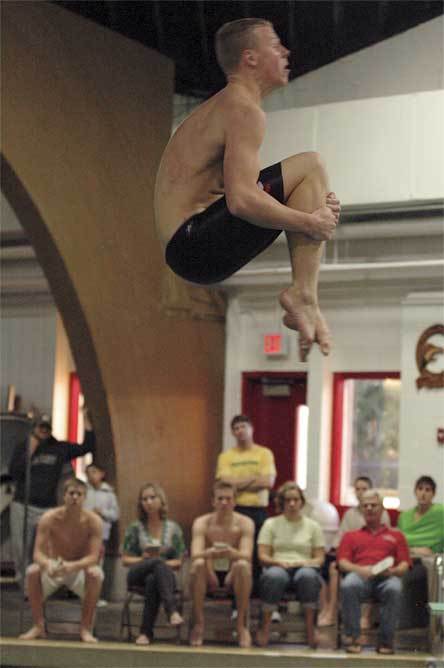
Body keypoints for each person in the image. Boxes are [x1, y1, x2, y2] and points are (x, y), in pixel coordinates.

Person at [154, 18, 341, 361]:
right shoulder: (242, 108)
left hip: (187, 244)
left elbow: (242, 195)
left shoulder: (226, 106)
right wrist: (309, 223)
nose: (285, 51)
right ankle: (304, 296)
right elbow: (242, 200)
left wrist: (306, 213)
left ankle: (306, 297)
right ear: (250, 58)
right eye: (275, 44)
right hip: (193, 242)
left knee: (309, 184)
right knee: (311, 167)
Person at [9, 410, 95, 579]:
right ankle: (24, 583)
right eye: (41, 427)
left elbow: (86, 447)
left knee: (43, 549)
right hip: (22, 504)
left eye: (47, 428)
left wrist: (86, 423)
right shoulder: (23, 446)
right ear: (34, 428)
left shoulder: (59, 448)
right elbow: (14, 473)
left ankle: (39, 583)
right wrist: (30, 451)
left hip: (46, 507)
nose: (44, 430)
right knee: (21, 548)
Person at [19, 477, 103, 643]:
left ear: (85, 498)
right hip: (55, 567)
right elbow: (37, 553)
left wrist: (74, 566)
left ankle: (85, 629)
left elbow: (94, 556)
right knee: (32, 571)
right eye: (71, 493)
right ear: (64, 496)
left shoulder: (94, 521)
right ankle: (38, 626)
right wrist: (47, 564)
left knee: (96, 574)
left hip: (79, 568)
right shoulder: (49, 518)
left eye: (79, 494)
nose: (75, 497)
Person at [338, 489, 410, 655]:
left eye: (374, 505)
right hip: (360, 575)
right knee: (349, 584)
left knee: (394, 588)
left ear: (382, 509)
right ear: (362, 510)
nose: (369, 508)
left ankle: (386, 641)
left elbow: (404, 565)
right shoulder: (351, 536)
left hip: (386, 578)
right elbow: (342, 563)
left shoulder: (397, 536)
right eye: (365, 506)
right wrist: (361, 570)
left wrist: (392, 571)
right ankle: (354, 638)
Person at [256, 482, 325, 649]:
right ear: (282, 503)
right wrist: (278, 562)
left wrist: (303, 563)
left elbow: (320, 558)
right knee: (274, 577)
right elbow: (262, 555)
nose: (292, 504)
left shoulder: (313, 526)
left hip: (305, 565)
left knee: (308, 576)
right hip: (278, 564)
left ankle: (311, 628)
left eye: (295, 500)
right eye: (288, 500)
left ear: (301, 502)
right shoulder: (271, 524)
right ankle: (264, 628)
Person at [318, 475, 391, 627]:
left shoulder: (383, 515)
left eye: (364, 489)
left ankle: (366, 616)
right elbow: (340, 541)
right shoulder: (350, 514)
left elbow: (384, 544)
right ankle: (331, 610)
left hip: (374, 561)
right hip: (352, 559)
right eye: (357, 489)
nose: (360, 492)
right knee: (332, 567)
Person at [189, 480, 254, 648]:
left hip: (233, 574)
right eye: (220, 499)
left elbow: (247, 555)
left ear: (235, 501)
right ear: (213, 501)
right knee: (197, 564)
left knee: (243, 566)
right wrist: (210, 552)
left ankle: (241, 625)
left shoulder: (245, 523)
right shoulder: (202, 522)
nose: (224, 503)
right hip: (210, 572)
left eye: (228, 499)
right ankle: (199, 624)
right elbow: (195, 553)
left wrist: (232, 553)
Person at [216, 414, 276, 595]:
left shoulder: (264, 453)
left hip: (258, 510)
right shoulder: (226, 456)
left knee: (256, 555)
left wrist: (238, 483)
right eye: (235, 428)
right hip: (235, 510)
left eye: (243, 427)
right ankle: (236, 600)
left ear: (251, 429)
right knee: (237, 555)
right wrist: (253, 479)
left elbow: (267, 482)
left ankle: (257, 596)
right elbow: (225, 484)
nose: (240, 431)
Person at [121, 482, 185, 646]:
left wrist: (160, 565)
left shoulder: (173, 528)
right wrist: (144, 559)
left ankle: (145, 633)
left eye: (152, 497)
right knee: (155, 562)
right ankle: (171, 610)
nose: (148, 502)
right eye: (144, 499)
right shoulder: (134, 527)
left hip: (163, 577)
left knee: (153, 579)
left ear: (161, 501)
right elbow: (125, 560)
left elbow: (179, 561)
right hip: (137, 573)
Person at [397, 475, 444, 629]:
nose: (423, 493)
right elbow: (399, 541)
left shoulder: (440, 513)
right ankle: (402, 622)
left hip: (432, 560)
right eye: (420, 489)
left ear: (433, 494)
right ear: (415, 492)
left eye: (427, 490)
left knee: (412, 575)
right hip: (407, 557)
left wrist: (430, 551)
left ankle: (412, 623)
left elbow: (438, 540)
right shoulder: (404, 516)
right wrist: (414, 549)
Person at [84, 462, 120, 605]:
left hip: (101, 535)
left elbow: (115, 514)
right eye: (88, 472)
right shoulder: (84, 491)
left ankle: (96, 596)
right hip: (85, 533)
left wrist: (102, 512)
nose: (90, 475)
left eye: (94, 471)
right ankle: (85, 594)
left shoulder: (109, 493)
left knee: (98, 565)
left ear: (101, 474)